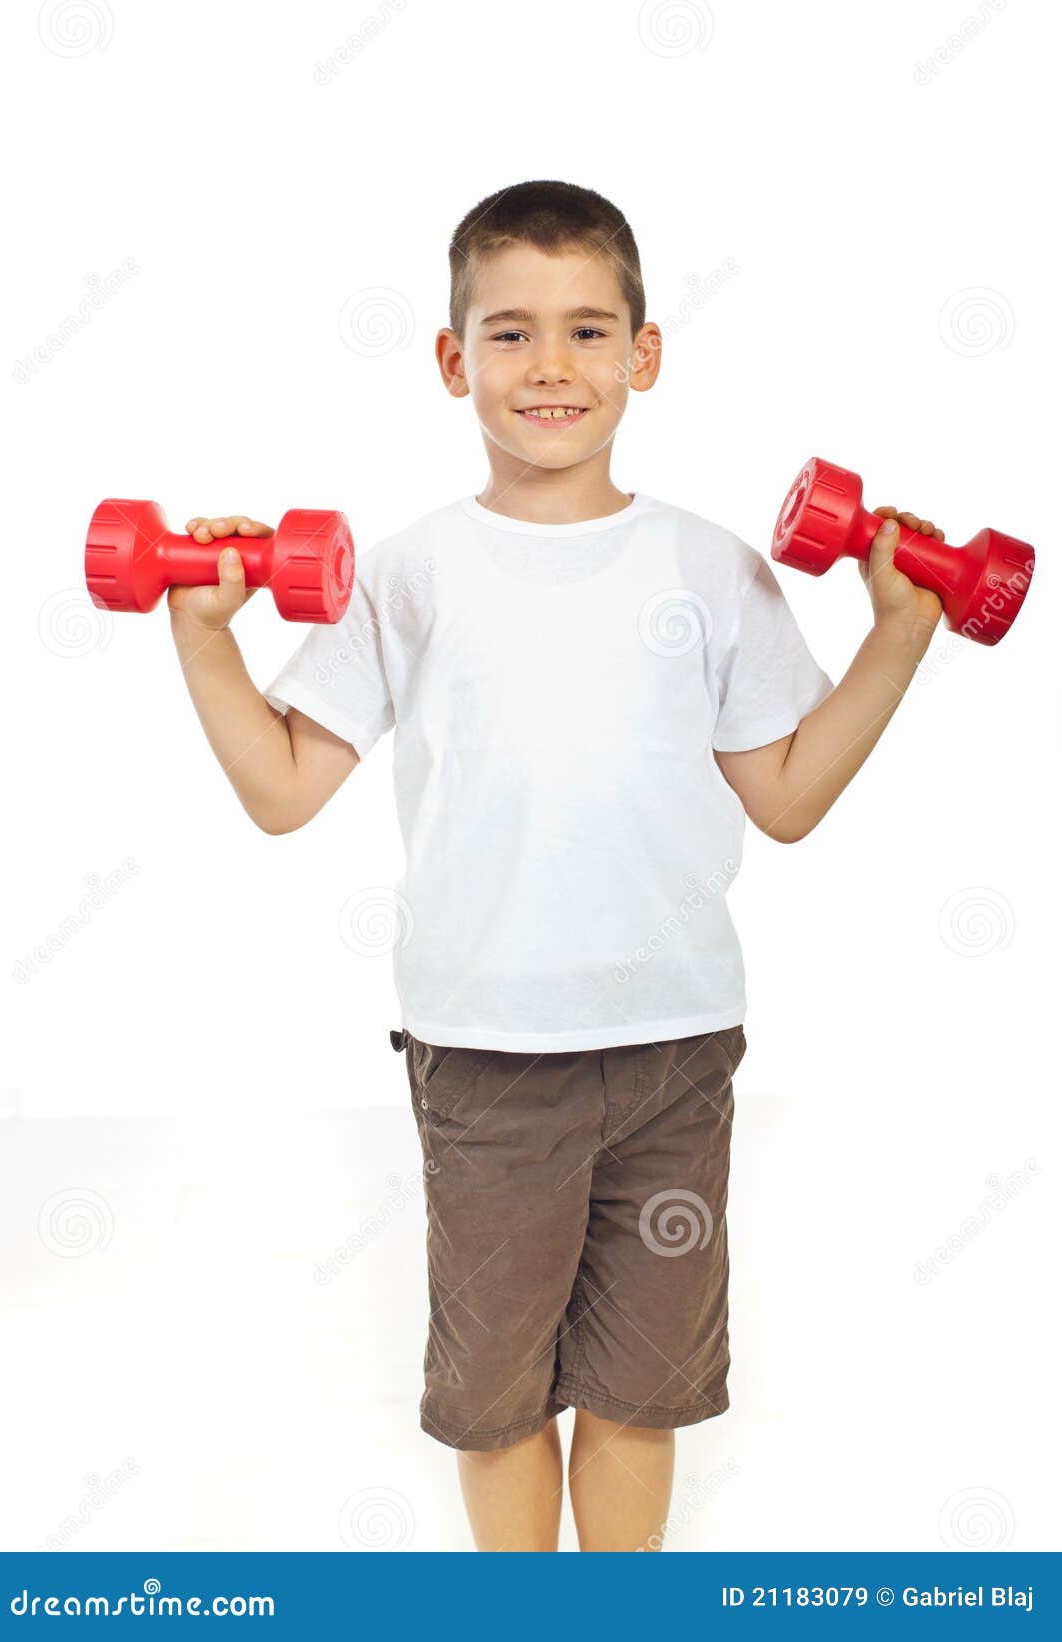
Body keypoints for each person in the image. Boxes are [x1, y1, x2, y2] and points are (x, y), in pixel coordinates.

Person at [168, 180, 947, 1551]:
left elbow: (786, 797)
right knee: (498, 1399)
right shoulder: (404, 574)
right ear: (451, 358)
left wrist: (899, 632)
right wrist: (203, 633)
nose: (551, 366)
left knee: (643, 1391)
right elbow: (284, 790)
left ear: (644, 354)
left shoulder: (713, 568)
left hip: (674, 1051)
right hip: (486, 1057)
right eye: (511, 332)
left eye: (588, 331)